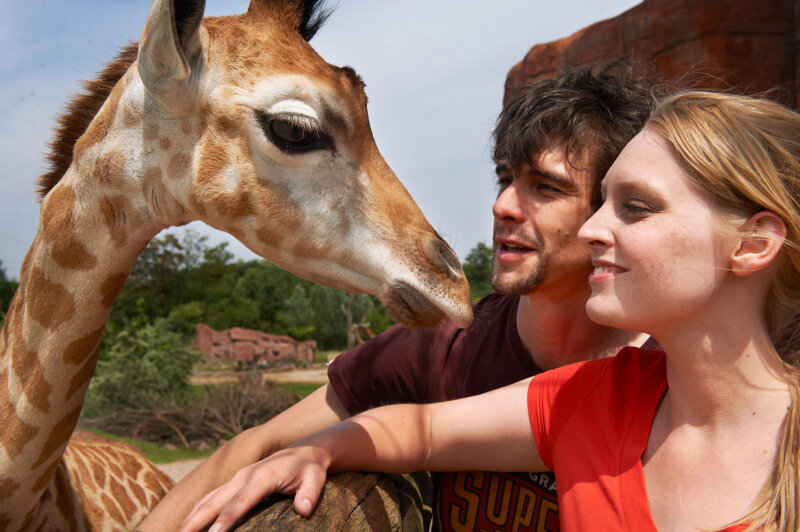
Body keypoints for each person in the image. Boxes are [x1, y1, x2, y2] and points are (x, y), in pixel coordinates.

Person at [179, 90, 800, 532]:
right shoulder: (587, 400)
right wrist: (317, 449)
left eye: (635, 207)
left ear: (752, 244)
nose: (596, 229)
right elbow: (416, 431)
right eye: (503, 178)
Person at [138, 60, 656, 531]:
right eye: (504, 179)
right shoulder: (448, 346)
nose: (502, 206)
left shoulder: (672, 370)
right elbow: (257, 443)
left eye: (545, 187)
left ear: (615, 211)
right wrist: (314, 452)